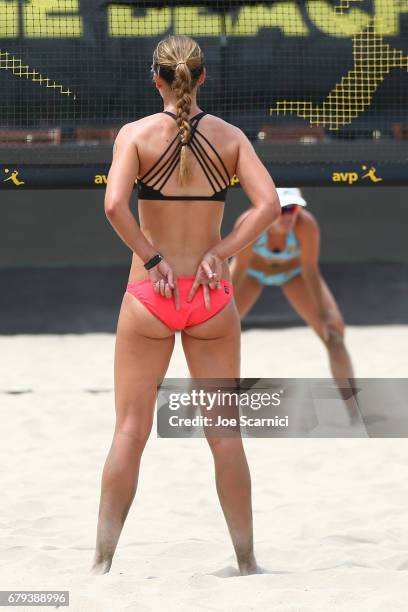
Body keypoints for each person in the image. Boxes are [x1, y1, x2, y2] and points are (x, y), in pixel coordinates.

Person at [91, 35, 280, 576]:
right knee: (225, 434)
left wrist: (151, 260)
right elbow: (268, 205)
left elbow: (112, 205)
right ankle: (246, 563)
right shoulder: (229, 137)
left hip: (152, 295)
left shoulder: (137, 135)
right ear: (202, 78)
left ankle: (102, 562)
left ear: (157, 79)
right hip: (209, 295)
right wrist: (220, 253)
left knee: (130, 430)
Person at [231, 188, 355, 382]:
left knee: (334, 335)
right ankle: (190, 410)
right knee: (215, 341)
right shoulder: (250, 223)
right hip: (252, 275)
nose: (288, 215)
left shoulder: (306, 225)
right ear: (267, 209)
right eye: (282, 209)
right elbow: (238, 269)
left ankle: (353, 411)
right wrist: (218, 310)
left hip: (293, 275)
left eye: (293, 209)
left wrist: (325, 314)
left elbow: (310, 271)